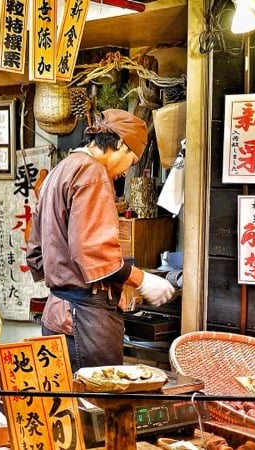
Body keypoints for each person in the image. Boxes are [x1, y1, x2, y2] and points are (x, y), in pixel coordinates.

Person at [25, 109, 175, 372]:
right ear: (118, 144)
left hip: (56, 313)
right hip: (84, 319)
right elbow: (92, 250)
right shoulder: (91, 172)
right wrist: (142, 280)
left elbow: (35, 249)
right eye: (131, 158)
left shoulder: (59, 171)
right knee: (97, 405)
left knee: (65, 404)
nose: (126, 170)